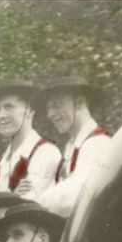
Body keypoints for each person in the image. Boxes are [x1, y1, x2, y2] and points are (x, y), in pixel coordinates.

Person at [34, 75, 112, 217]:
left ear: (80, 102)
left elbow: (78, 194)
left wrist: (35, 205)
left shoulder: (98, 143)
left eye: (57, 105)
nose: (50, 114)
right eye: (48, 109)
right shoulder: (71, 147)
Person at [0, 79, 61, 197]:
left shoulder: (45, 153)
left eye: (8, 107)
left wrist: (6, 198)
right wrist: (13, 195)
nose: (0, 116)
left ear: (29, 111)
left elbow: (30, 202)